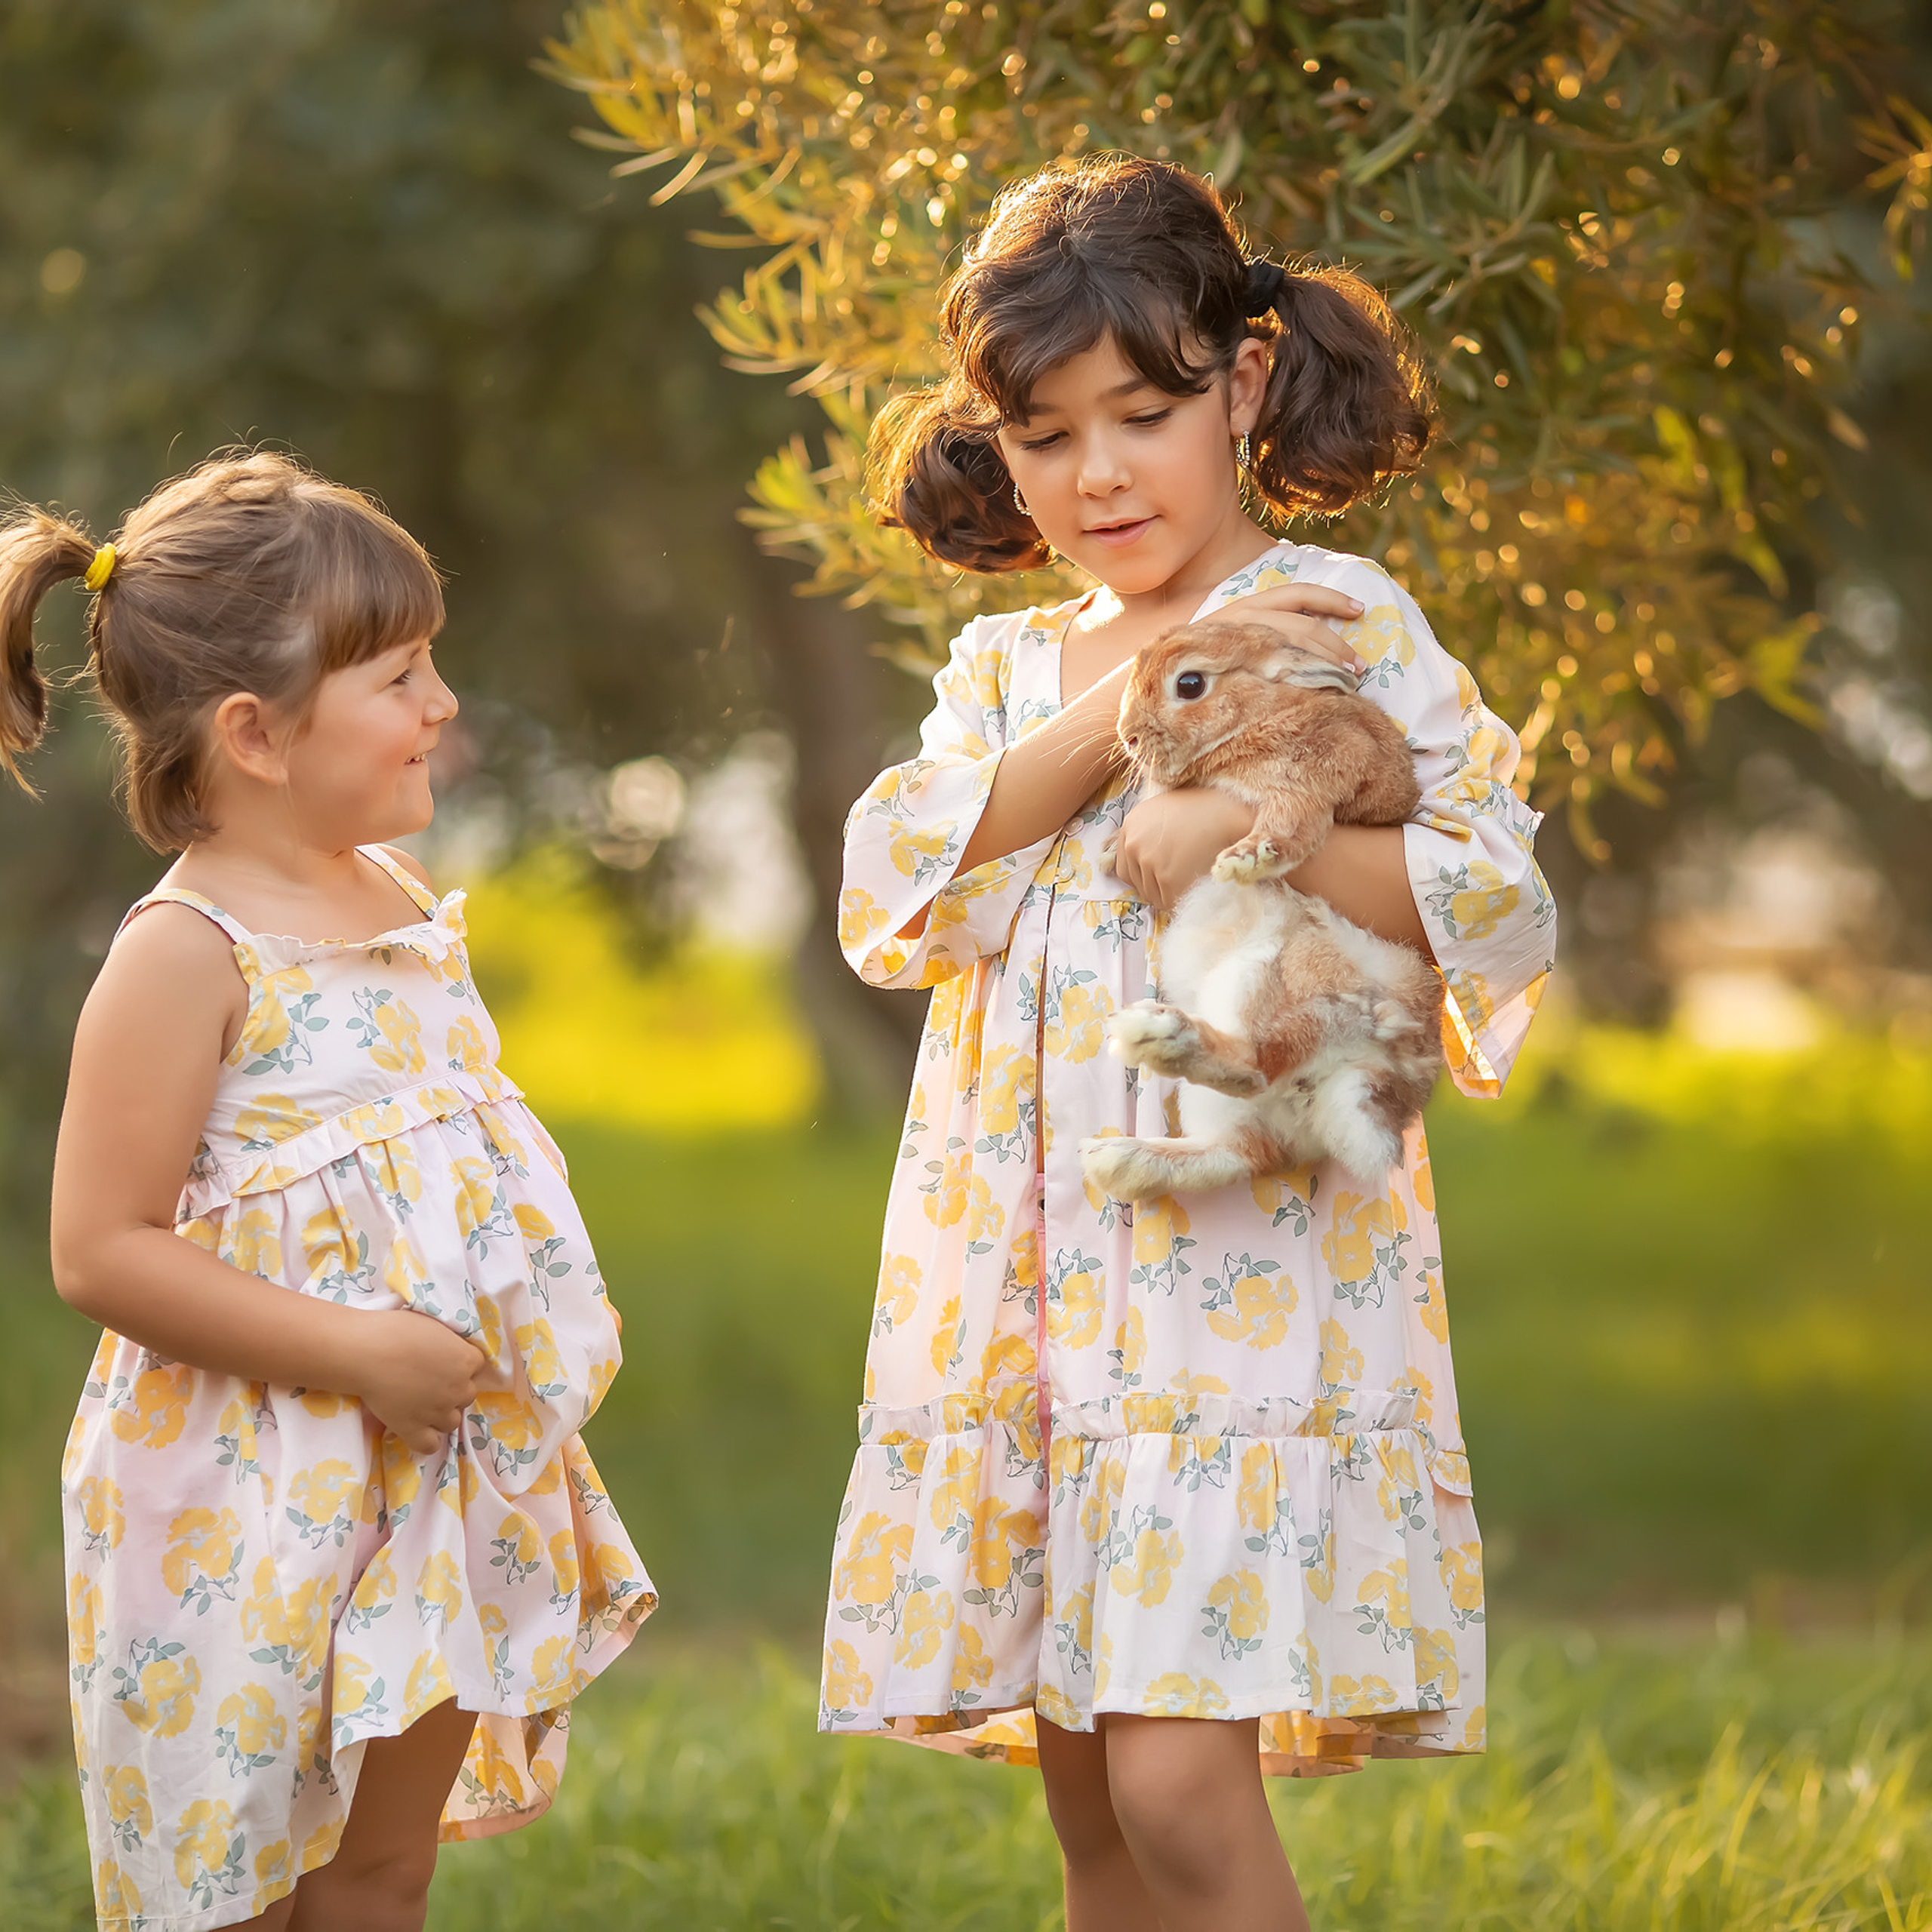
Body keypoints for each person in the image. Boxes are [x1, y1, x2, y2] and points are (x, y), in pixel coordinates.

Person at [820, 156, 1556, 1930]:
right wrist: (1106, 730)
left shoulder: (1340, 621)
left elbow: (1498, 901)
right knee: (1093, 1805)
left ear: (1237, 382)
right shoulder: (1009, 676)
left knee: (1174, 1781)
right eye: (1044, 433)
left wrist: (1252, 825)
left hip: (1232, 1293)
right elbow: (889, 881)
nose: (1097, 475)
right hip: (1027, 1301)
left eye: (1140, 415)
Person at [2, 454, 654, 1932]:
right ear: (256, 733)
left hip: (425, 1485)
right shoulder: (188, 953)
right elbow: (97, 1247)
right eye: (402, 675)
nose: (440, 704)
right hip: (243, 1493)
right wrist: (359, 1351)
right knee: (231, 1884)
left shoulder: (411, 903)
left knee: (381, 1866)